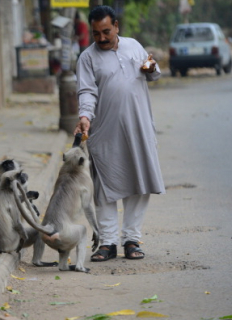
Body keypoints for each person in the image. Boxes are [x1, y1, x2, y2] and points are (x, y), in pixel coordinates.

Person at [74, 5, 165, 262]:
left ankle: (131, 239)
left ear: (116, 26)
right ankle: (108, 242)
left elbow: (153, 73)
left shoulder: (134, 45)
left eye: (106, 32)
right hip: (105, 130)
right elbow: (87, 92)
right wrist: (84, 117)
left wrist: (152, 69)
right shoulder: (87, 58)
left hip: (139, 127)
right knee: (104, 187)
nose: (101, 38)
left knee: (140, 182)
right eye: (96, 34)